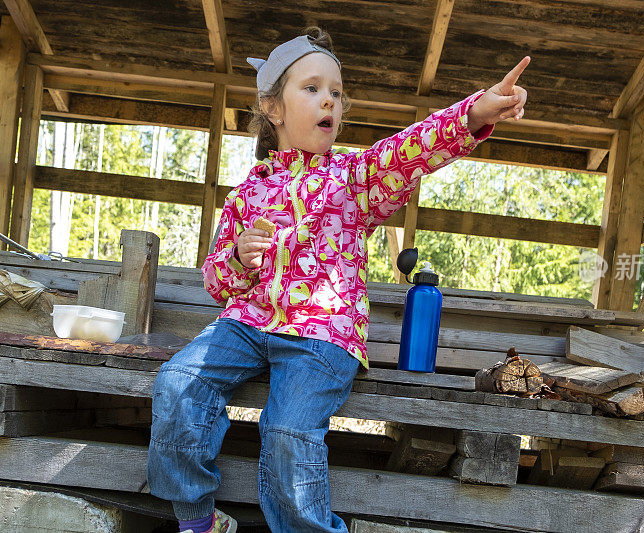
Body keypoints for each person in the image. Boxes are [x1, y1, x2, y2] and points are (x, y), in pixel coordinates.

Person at [146, 26, 529, 533]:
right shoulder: (245, 196)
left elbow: (411, 149)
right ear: (273, 108)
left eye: (336, 92)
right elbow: (218, 285)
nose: (329, 99)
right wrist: (239, 258)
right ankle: (197, 519)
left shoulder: (354, 179)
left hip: (322, 335)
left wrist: (475, 113)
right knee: (177, 382)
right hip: (246, 325)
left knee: (285, 430)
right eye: (312, 88)